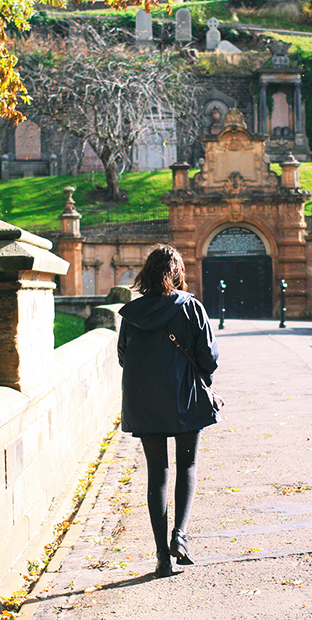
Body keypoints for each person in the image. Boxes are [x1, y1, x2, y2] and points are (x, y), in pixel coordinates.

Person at [117, 245, 219, 578]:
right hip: (184, 396)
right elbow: (209, 358)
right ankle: (180, 537)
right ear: (177, 272)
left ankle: (161, 556)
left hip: (145, 400)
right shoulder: (191, 307)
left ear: (146, 273)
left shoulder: (132, 313)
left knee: (157, 474)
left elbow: (123, 356)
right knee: (186, 464)